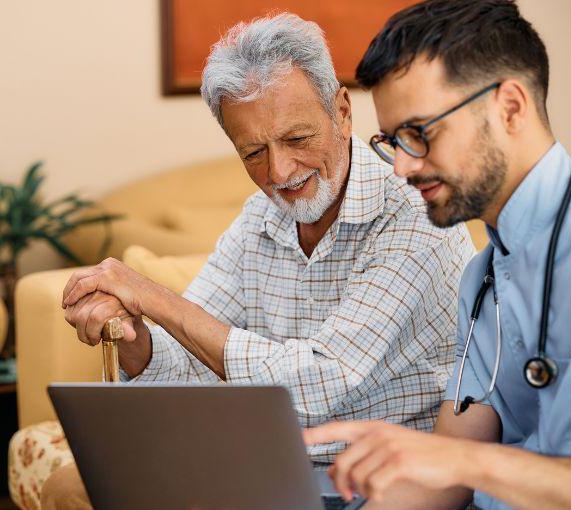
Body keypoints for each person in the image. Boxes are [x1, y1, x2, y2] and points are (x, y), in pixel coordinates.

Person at [41, 13, 475, 509]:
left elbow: (317, 384)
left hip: (381, 479)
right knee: (70, 489)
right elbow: (191, 363)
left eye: (297, 139)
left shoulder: (414, 217)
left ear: (342, 111)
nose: (279, 172)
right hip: (269, 460)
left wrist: (153, 297)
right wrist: (138, 341)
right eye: (253, 152)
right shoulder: (259, 220)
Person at [304, 1, 571, 509]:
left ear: (509, 107)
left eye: (419, 134)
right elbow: (445, 468)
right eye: (393, 141)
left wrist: (460, 463)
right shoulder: (483, 276)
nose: (401, 167)